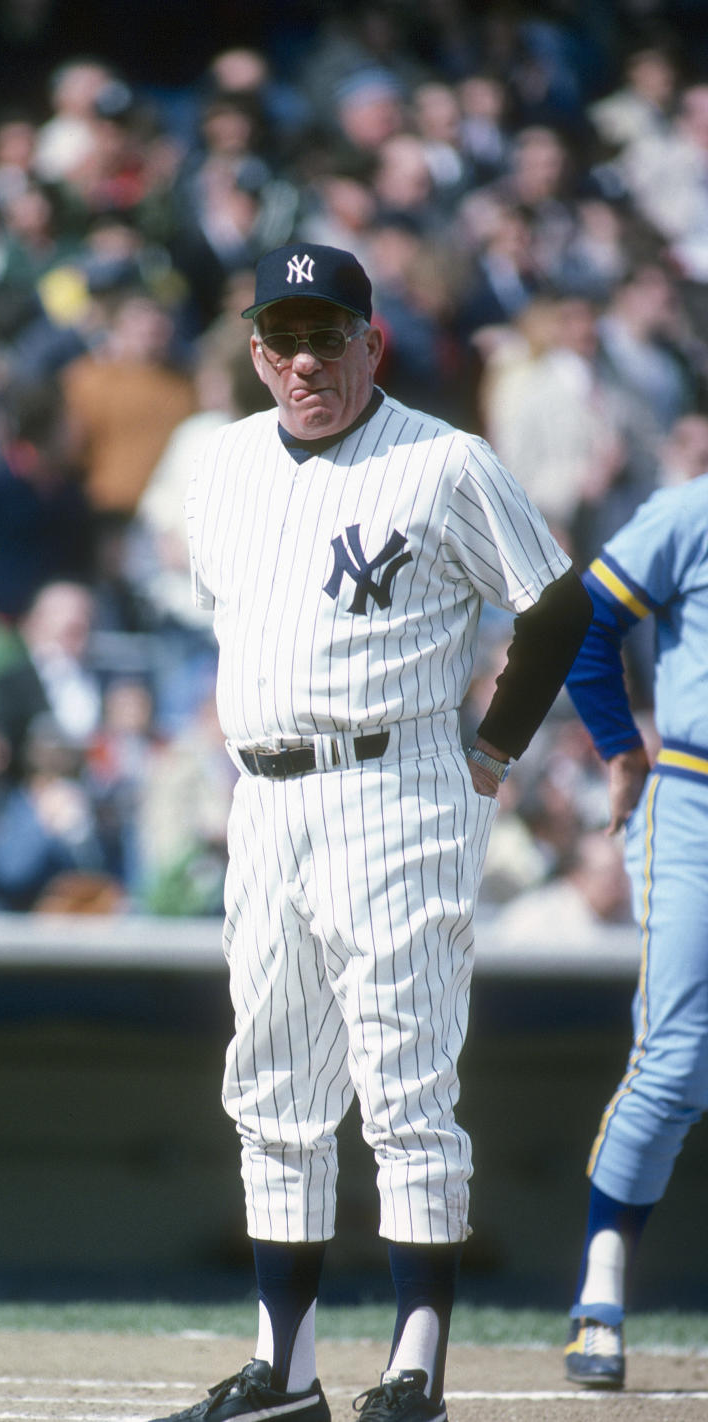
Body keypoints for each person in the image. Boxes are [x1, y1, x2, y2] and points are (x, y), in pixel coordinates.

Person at [158, 243, 592, 1422]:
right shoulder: (228, 462)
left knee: (404, 1089)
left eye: (328, 335)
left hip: (392, 788)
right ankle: (284, 1374)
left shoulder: (444, 462)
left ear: (371, 342)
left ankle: (415, 1375)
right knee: (273, 1087)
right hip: (266, 800)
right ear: (255, 352)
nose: (305, 359)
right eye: (283, 338)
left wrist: (493, 749)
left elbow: (557, 602)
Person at [561, 467, 708, 1390]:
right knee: (679, 1058)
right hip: (696, 796)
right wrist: (620, 747)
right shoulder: (695, 507)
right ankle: (600, 1284)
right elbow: (585, 619)